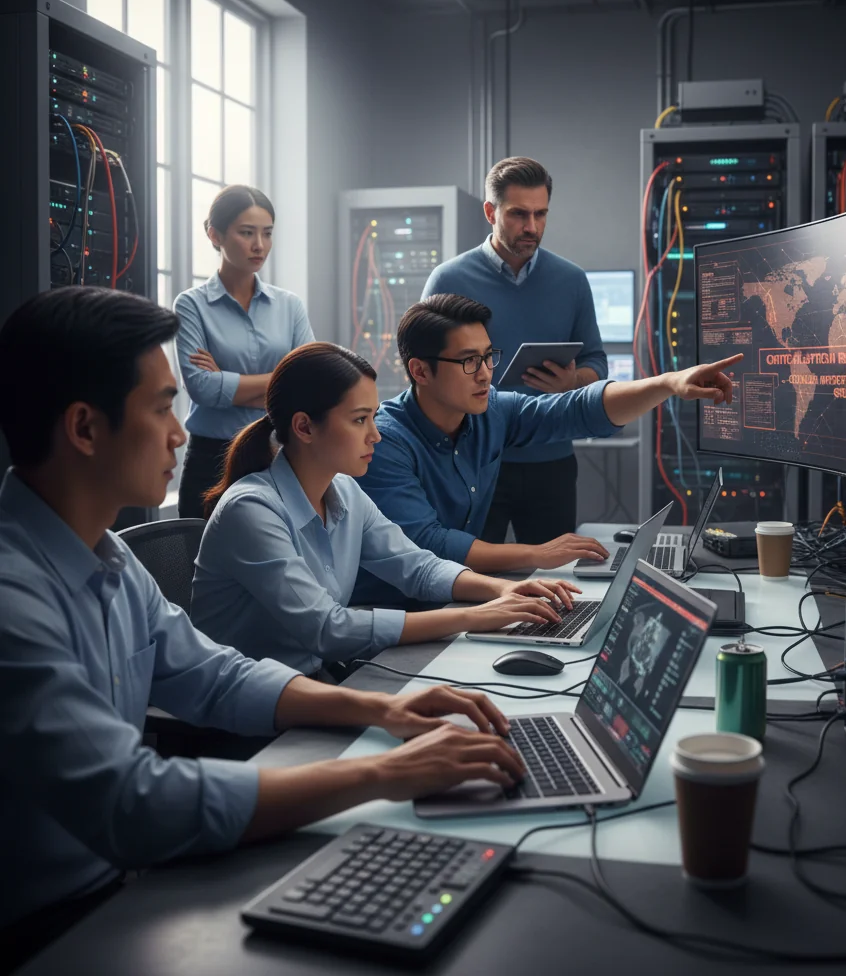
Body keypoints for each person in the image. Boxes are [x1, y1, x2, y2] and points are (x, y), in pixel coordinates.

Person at [0, 287, 523, 972]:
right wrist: (383, 772)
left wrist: (384, 709)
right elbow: (132, 801)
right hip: (47, 928)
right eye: (163, 409)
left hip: (119, 887)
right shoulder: (14, 598)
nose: (182, 433)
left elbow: (215, 673)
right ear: (85, 428)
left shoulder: (110, 557)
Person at [191, 341, 579, 676]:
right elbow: (328, 629)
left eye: (374, 416)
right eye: (360, 420)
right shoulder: (252, 509)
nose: (375, 434)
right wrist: (477, 616)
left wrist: (503, 588)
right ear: (305, 427)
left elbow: (417, 567)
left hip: (312, 681)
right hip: (250, 709)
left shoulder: (343, 489)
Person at [354, 294, 741, 604]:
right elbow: (429, 543)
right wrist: (536, 554)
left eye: (488, 356)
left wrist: (670, 384)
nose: (486, 373)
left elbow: (575, 410)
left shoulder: (490, 412)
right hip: (394, 617)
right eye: (469, 361)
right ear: (420, 371)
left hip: (455, 599)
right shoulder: (385, 442)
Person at [421, 157, 606, 545]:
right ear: (491, 212)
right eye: (519, 214)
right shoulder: (448, 279)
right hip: (471, 462)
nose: (532, 227)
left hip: (551, 461)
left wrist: (573, 382)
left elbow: (596, 362)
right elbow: (423, 374)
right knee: (469, 580)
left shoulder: (571, 281)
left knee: (556, 583)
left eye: (541, 214)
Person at [173, 185, 315, 518]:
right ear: (215, 234)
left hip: (279, 454)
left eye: (267, 233)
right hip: (211, 459)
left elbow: (310, 379)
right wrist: (280, 383)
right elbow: (201, 388)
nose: (259, 245)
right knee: (201, 562)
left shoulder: (289, 305)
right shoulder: (192, 305)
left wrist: (226, 380)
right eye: (247, 233)